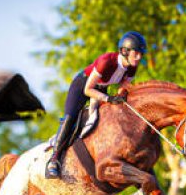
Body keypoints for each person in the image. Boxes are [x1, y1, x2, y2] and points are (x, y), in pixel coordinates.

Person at [45, 31, 147, 179]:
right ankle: (54, 160)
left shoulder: (132, 67)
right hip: (83, 86)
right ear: (124, 51)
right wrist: (108, 98)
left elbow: (123, 86)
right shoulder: (106, 61)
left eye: (141, 54)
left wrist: (120, 97)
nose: (139, 57)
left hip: (101, 89)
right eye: (136, 53)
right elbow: (88, 89)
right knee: (70, 118)